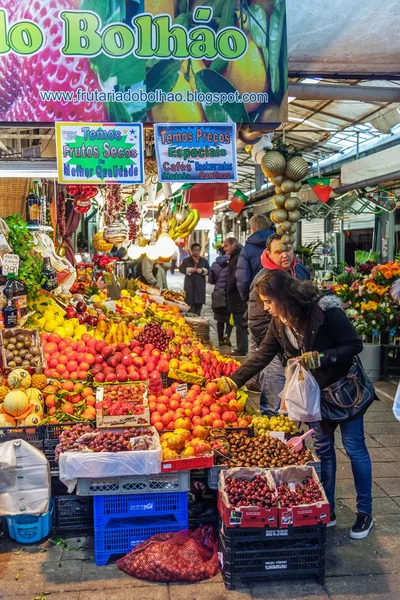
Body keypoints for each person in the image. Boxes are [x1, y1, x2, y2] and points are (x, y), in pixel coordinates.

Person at [215, 269, 373, 540]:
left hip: (345, 392)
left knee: (354, 447)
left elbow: (354, 345)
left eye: (268, 301)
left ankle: (364, 512)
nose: (265, 307)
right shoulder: (280, 323)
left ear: (283, 296)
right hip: (316, 398)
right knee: (323, 450)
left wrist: (322, 357)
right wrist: (233, 382)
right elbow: (263, 354)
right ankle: (328, 509)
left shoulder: (325, 311)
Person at [249, 234, 310, 415]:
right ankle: (272, 439)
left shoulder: (301, 272)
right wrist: (278, 344)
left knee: (295, 403)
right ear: (268, 253)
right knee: (273, 404)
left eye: (288, 249)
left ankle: (291, 439)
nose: (285, 255)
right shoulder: (263, 279)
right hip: (274, 351)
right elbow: (257, 322)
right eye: (279, 251)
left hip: (296, 348)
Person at [236, 214, 274, 303]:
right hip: (278, 294)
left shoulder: (247, 249)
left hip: (257, 295)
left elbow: (243, 277)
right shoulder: (278, 243)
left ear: (253, 229)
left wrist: (247, 297)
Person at [223, 237, 248, 356]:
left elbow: (236, 275)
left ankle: (242, 349)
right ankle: (241, 348)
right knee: (238, 323)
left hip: (238, 296)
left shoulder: (238, 256)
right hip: (236, 295)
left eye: (226, 246)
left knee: (240, 323)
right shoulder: (236, 255)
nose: (224, 249)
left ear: (233, 245)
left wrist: (230, 288)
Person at [209, 248, 233, 347]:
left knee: (219, 319)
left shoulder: (215, 264)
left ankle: (220, 340)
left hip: (218, 294)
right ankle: (227, 334)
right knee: (230, 318)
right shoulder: (232, 264)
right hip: (229, 294)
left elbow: (211, 280)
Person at [179, 243, 209, 316]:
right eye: (195, 250)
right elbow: (181, 269)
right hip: (190, 285)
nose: (197, 252)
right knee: (189, 306)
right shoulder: (187, 260)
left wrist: (202, 270)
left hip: (200, 285)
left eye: (198, 250)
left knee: (199, 306)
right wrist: (189, 270)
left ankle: (198, 320)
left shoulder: (203, 261)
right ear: (191, 251)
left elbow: (209, 270)